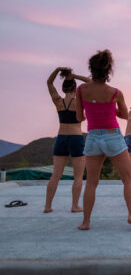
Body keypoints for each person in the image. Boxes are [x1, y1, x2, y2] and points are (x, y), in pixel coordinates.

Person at [75, 50, 131, 230]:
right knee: (128, 178)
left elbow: (79, 117)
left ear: (91, 69)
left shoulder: (81, 90)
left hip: (92, 136)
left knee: (91, 182)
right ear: (108, 70)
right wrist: (109, 110)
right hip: (112, 135)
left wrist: (93, 109)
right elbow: (124, 115)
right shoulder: (115, 92)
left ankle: (85, 222)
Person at [45, 67, 90, 213]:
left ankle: (47, 206)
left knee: (56, 175)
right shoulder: (79, 101)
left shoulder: (58, 100)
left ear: (63, 89)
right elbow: (90, 82)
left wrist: (57, 69)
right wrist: (74, 75)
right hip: (76, 138)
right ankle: (75, 206)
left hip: (61, 138)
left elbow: (49, 83)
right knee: (78, 176)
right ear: (75, 88)